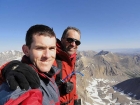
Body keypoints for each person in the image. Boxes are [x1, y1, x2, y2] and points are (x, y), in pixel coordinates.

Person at [0, 26, 82, 105]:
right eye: (40, 48)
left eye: (77, 42)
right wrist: (9, 68)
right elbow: (24, 97)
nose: (73, 44)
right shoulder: (52, 61)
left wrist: (75, 100)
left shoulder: (71, 59)